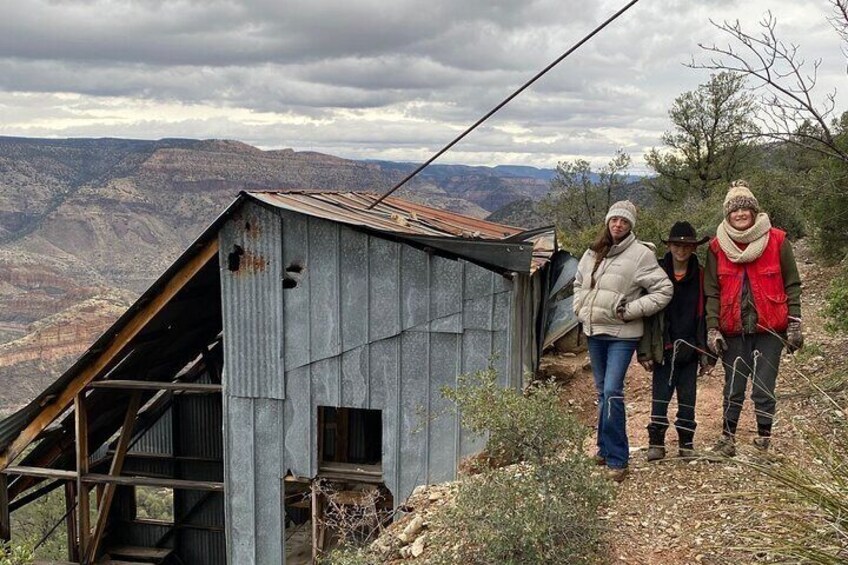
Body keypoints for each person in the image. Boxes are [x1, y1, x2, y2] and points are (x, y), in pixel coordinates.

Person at [573, 200, 673, 481]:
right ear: (608, 222)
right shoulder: (593, 252)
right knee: (601, 393)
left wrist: (630, 311)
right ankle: (604, 450)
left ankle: (619, 459)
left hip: (622, 334)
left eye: (624, 222)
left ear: (631, 226)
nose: (618, 225)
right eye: (615, 220)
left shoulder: (641, 255)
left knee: (612, 392)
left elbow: (664, 290)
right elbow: (579, 282)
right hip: (594, 331)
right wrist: (579, 308)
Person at [705, 180, 803, 456]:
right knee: (733, 386)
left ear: (754, 211)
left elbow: (792, 284)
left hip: (770, 328)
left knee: (764, 386)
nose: (740, 215)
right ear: (727, 215)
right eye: (734, 211)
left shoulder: (777, 240)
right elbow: (712, 291)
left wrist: (795, 322)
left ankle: (763, 439)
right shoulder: (717, 247)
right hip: (733, 328)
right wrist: (713, 328)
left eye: (745, 210)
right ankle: (727, 439)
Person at [638, 222, 711, 462]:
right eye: (677, 244)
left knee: (688, 397)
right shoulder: (656, 272)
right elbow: (646, 317)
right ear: (669, 246)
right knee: (660, 396)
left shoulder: (700, 276)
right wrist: (644, 351)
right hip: (663, 346)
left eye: (686, 245)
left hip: (690, 346)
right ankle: (656, 442)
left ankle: (686, 443)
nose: (681, 250)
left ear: (693, 248)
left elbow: (705, 314)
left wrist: (706, 352)